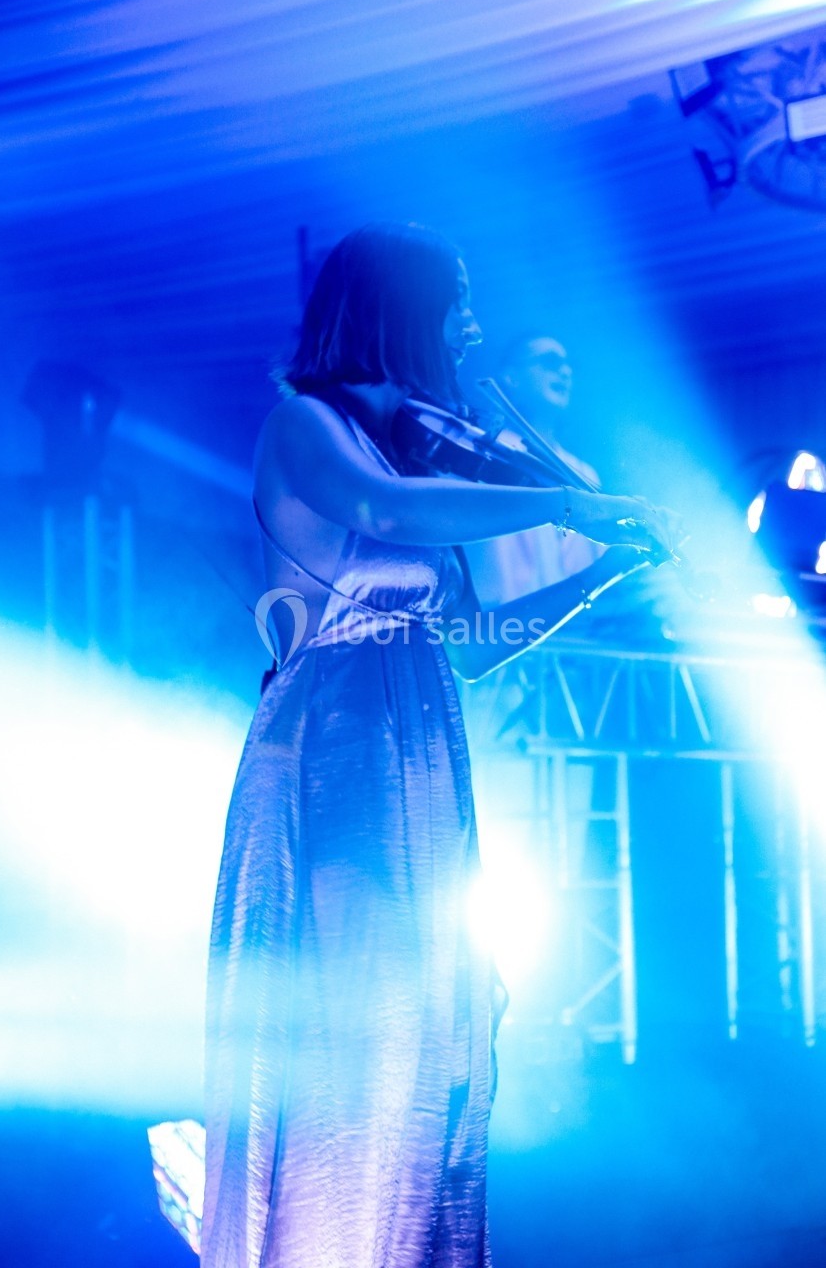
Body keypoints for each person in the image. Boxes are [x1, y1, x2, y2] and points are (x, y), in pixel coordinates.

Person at [202, 222, 679, 1268]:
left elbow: (468, 641)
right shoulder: (305, 424)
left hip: (417, 728)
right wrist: (566, 500)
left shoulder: (393, 437)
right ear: (395, 308)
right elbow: (383, 509)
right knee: (352, 1019)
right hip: (333, 741)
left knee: (428, 1022)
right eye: (454, 300)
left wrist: (604, 571)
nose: (472, 324)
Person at [464, 334, 605, 609]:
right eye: (550, 362)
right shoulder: (483, 451)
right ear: (511, 378)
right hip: (495, 626)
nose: (564, 371)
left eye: (567, 365)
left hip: (570, 633)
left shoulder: (584, 473)